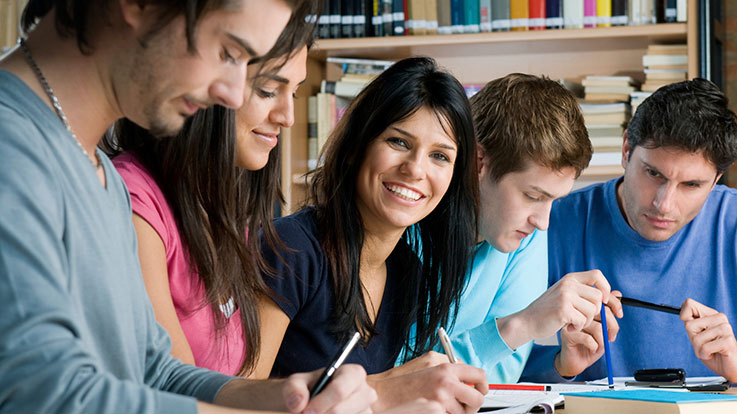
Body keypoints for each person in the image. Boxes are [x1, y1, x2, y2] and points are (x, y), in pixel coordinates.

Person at [0, 0, 381, 412]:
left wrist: (287, 397)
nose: (231, 93)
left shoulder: (101, 176)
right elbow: (45, 394)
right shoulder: (12, 150)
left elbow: (156, 372)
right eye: (228, 53)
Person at [254, 56, 489, 413]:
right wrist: (384, 391)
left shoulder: (408, 272)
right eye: (398, 141)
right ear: (355, 148)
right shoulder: (290, 249)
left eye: (440, 156)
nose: (415, 169)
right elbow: (233, 398)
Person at [107, 15, 312, 379]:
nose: (288, 116)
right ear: (213, 85)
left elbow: (243, 385)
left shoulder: (226, 207)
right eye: (268, 90)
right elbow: (173, 387)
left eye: (293, 92)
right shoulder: (134, 201)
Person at [392, 73, 623, 384]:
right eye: (532, 196)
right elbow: (383, 377)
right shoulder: (402, 222)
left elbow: (502, 376)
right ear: (477, 162)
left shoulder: (525, 234)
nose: (543, 221)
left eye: (553, 200)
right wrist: (520, 324)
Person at [521, 78, 737, 383]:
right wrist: (560, 365)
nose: (664, 204)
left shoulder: (733, 224)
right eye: (653, 173)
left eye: (691, 185)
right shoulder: (547, 223)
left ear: (716, 181)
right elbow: (490, 366)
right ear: (626, 150)